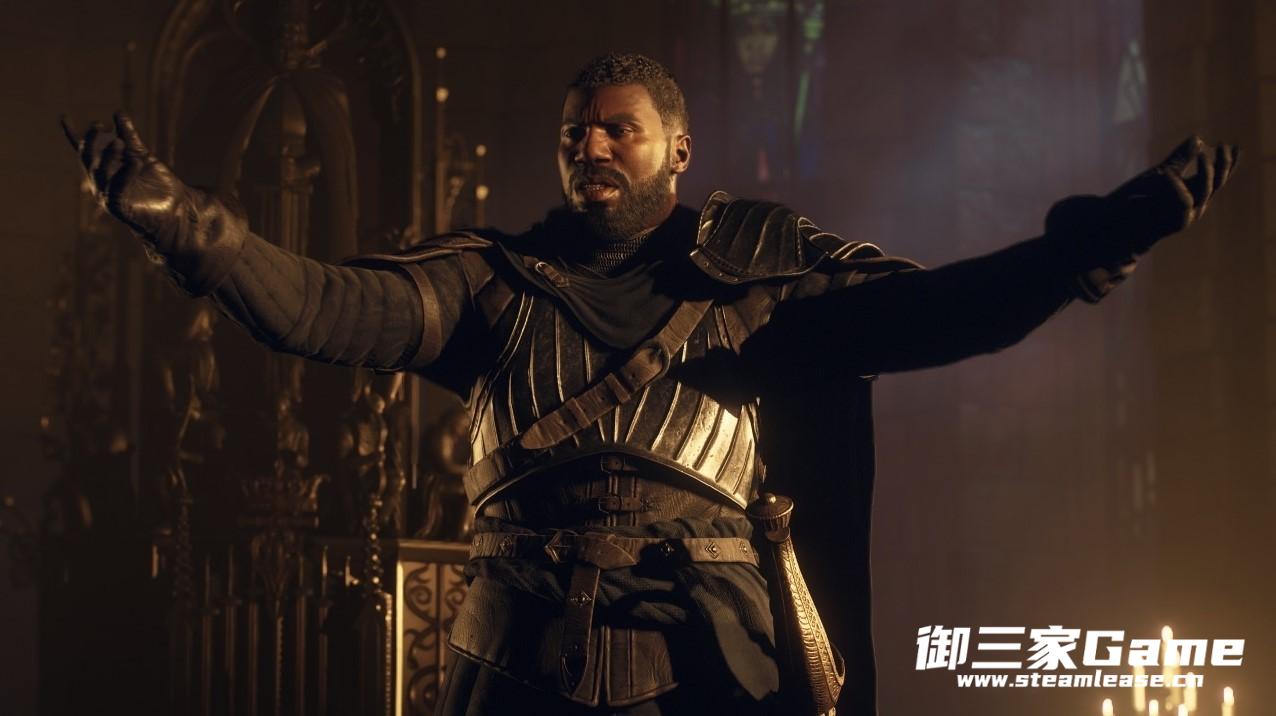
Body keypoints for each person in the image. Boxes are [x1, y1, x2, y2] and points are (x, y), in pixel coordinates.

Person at [63, 53, 1236, 715]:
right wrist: (195, 229)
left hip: (712, 672)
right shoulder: (488, 288)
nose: (590, 145)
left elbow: (935, 313)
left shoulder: (763, 282)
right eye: (576, 132)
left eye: (618, 130)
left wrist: (1084, 248)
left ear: (677, 151)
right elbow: (323, 305)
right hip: (514, 667)